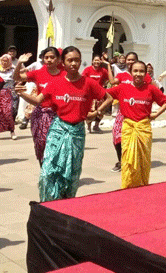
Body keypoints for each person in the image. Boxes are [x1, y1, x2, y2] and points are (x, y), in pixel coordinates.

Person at [16, 47, 112, 201]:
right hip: (57, 129)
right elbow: (37, 100)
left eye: (77, 60)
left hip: (77, 133)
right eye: (70, 60)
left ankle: (65, 204)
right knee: (48, 171)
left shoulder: (88, 83)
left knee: (71, 174)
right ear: (63, 63)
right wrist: (22, 93)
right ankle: (48, 203)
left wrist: (96, 113)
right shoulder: (55, 83)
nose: (73, 63)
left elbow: (108, 98)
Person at [104, 61, 166, 188]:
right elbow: (104, 93)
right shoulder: (123, 88)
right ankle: (127, 187)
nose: (138, 74)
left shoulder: (151, 89)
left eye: (141, 71)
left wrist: (156, 114)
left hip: (143, 128)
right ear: (130, 72)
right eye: (135, 71)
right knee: (128, 161)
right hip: (128, 128)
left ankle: (142, 187)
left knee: (143, 161)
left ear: (146, 73)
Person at [14, 47, 64, 167]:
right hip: (41, 114)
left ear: (58, 60)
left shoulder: (65, 75)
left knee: (57, 145)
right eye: (46, 57)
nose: (49, 60)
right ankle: (44, 169)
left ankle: (56, 170)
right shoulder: (38, 73)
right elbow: (17, 78)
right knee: (41, 143)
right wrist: (19, 63)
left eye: (52, 57)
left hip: (59, 115)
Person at [109, 52, 154, 171]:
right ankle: (121, 160)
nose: (130, 61)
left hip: (138, 114)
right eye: (128, 59)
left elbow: (153, 90)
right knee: (116, 136)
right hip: (122, 112)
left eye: (133, 59)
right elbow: (113, 84)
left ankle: (134, 162)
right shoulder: (122, 75)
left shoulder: (144, 76)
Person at [82, 54, 112, 132]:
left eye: (98, 60)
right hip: (89, 94)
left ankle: (96, 126)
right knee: (90, 110)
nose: (96, 62)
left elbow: (108, 78)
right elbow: (83, 79)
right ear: (92, 61)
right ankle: (88, 126)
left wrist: (104, 85)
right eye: (95, 60)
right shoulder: (87, 70)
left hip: (99, 94)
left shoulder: (103, 70)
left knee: (100, 110)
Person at [0, 54, 17, 141]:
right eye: (3, 61)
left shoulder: (13, 70)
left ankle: (12, 131)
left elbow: (20, 78)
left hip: (8, 93)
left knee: (8, 113)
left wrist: (15, 87)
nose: (4, 62)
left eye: (6, 61)